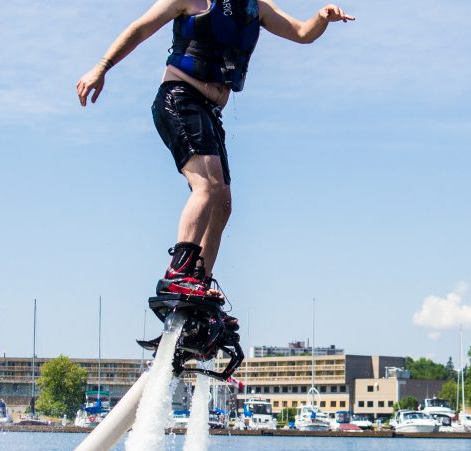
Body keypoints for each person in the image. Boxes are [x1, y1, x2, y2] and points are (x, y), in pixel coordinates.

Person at [76, 0, 354, 325]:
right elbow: (139, 29)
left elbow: (303, 33)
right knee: (206, 186)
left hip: (209, 112)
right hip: (180, 98)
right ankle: (179, 274)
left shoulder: (256, 8)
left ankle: (200, 287)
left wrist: (321, 17)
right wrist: (101, 68)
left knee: (223, 203)